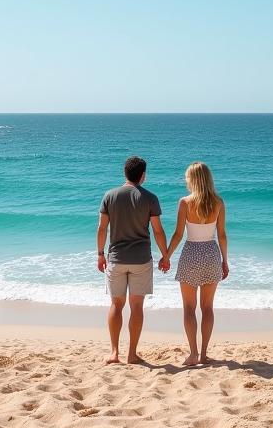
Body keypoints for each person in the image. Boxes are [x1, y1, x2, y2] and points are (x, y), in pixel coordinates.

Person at [97, 155, 170, 365]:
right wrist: (165, 255)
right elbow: (157, 231)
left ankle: (114, 353)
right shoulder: (150, 198)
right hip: (140, 260)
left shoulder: (109, 195)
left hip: (116, 259)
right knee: (136, 307)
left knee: (115, 305)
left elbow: (102, 228)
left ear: (125, 173)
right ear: (143, 176)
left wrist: (100, 254)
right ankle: (132, 354)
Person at [161, 161, 229, 366]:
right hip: (211, 253)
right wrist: (225, 261)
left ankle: (193, 354)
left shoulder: (185, 202)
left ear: (191, 180)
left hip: (191, 254)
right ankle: (204, 354)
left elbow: (178, 234)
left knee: (189, 308)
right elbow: (222, 235)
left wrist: (167, 256)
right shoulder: (218, 202)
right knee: (207, 307)